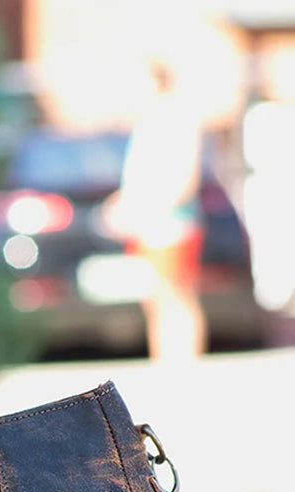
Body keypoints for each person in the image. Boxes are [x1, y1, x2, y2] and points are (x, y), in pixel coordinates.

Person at [104, 59, 207, 362]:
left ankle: (182, 361)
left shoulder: (174, 115)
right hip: (148, 222)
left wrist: (149, 209)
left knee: (175, 293)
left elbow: (184, 177)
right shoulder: (149, 118)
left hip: (170, 222)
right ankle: (165, 359)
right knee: (155, 296)